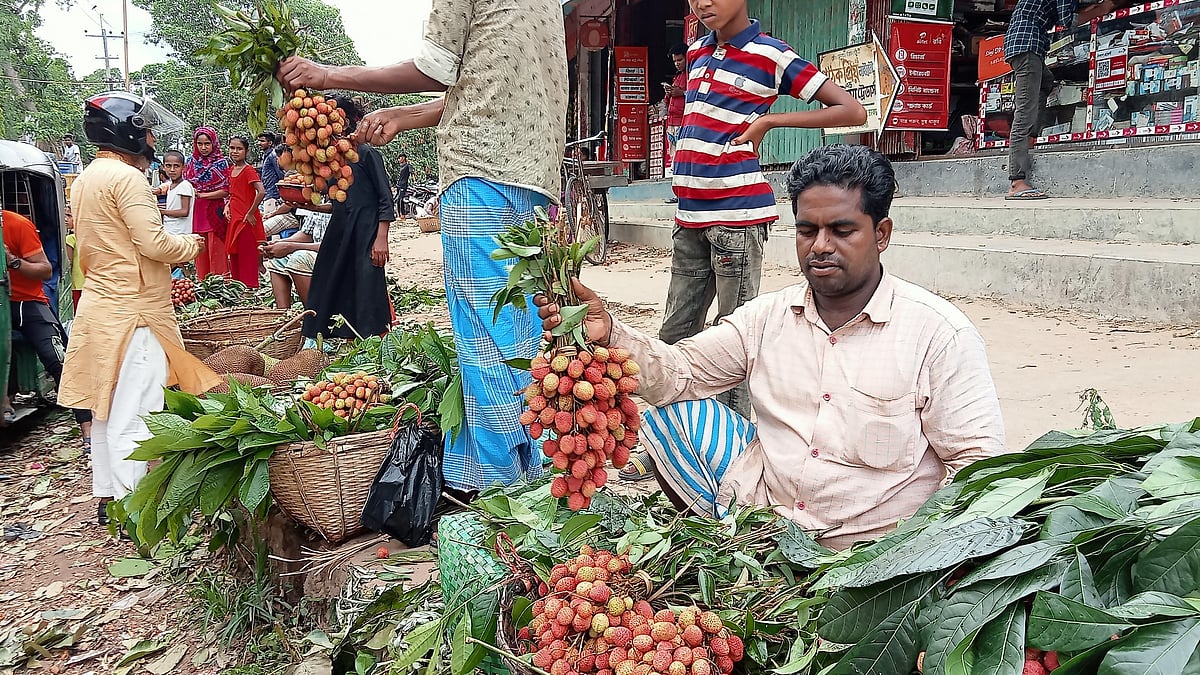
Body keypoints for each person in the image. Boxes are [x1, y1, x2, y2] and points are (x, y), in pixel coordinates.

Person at [537, 145, 1006, 551]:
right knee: (669, 412)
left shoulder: (939, 336)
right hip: (767, 528)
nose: (821, 247)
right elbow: (679, 372)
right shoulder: (768, 317)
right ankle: (726, 540)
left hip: (872, 551)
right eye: (808, 231)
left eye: (842, 231)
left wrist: (917, 555)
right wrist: (610, 332)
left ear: (881, 234)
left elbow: (979, 469)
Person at [277, 0, 566, 496]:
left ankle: (499, 486)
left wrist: (327, 75)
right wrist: (408, 117)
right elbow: (486, 85)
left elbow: (434, 68)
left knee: (486, 337)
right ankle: (534, 470)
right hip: (534, 182)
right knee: (522, 332)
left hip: (480, 173)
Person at [624, 0, 867, 482]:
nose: (703, 3)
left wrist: (771, 121)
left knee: (735, 339)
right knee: (676, 333)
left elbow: (850, 108)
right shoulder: (696, 51)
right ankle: (663, 443)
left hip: (737, 217)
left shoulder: (771, 55)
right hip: (690, 216)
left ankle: (731, 456)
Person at [60, 91, 219, 526]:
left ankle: (109, 496)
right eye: (146, 131)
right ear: (127, 131)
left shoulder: (90, 175)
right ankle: (134, 510)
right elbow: (154, 243)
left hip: (102, 306)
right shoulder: (127, 179)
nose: (151, 140)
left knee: (107, 408)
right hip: (136, 313)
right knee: (138, 409)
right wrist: (192, 244)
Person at [293, 96, 394, 340]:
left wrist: (381, 239)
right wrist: (306, 205)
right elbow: (339, 204)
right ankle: (345, 340)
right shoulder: (330, 161)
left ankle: (375, 342)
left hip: (366, 233)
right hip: (340, 233)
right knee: (334, 284)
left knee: (367, 288)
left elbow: (385, 200)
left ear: (345, 121)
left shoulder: (367, 154)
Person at [1004, 0, 1121, 199]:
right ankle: (1017, 181)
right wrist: (1102, 9)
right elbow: (1070, 20)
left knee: (1045, 83)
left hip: (1024, 45)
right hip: (1027, 47)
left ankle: (1032, 135)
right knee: (1024, 112)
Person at [0, 208, 92, 442]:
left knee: (58, 359)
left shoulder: (16, 224)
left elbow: (45, 269)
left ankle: (88, 428)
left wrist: (13, 262)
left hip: (26, 302)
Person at [185, 127, 231, 280]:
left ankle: (221, 284)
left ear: (214, 143)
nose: (203, 148)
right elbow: (185, 184)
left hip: (214, 211)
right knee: (200, 249)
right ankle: (203, 284)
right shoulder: (191, 162)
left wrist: (203, 194)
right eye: (200, 143)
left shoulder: (222, 163)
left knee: (217, 249)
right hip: (196, 211)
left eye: (207, 143)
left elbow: (226, 190)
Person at [263, 204, 330, 308]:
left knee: (299, 258)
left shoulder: (344, 204)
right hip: (314, 251)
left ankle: (314, 317)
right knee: (278, 260)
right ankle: (285, 316)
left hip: (336, 256)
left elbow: (336, 246)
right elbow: (306, 234)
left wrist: (290, 247)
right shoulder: (318, 201)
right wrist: (278, 244)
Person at [224, 136, 266, 288]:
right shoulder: (231, 170)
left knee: (247, 254)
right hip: (234, 217)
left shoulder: (249, 170)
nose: (235, 152)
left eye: (239, 149)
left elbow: (261, 191)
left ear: (246, 152)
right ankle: (237, 287)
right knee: (234, 255)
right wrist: (227, 205)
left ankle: (249, 287)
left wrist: (250, 213)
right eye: (232, 148)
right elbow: (234, 193)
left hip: (245, 219)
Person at [662, 44, 687, 183]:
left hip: (684, 122)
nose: (677, 64)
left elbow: (700, 95)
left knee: (682, 157)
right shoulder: (678, 77)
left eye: (680, 60)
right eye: (675, 61)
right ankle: (676, 188)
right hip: (672, 123)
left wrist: (682, 93)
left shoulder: (693, 76)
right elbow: (667, 100)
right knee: (674, 158)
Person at [156, 150, 195, 236]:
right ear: (163, 167)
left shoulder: (184, 186)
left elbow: (184, 212)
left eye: (176, 166)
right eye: (168, 166)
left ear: (184, 167)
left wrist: (162, 211)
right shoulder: (171, 185)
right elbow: (174, 206)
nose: (172, 170)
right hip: (170, 230)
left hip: (180, 233)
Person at [63, 205, 84, 311]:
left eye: (69, 216)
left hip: (77, 284)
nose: (65, 219)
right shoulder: (86, 238)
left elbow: (68, 263)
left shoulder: (70, 239)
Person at [257, 132, 284, 212]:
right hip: (268, 193)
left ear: (270, 143)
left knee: (268, 219)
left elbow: (280, 173)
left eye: (262, 141)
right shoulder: (266, 156)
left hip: (273, 194)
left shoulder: (273, 156)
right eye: (259, 141)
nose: (259, 143)